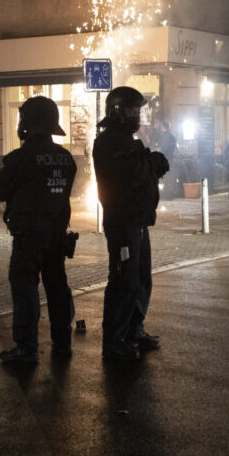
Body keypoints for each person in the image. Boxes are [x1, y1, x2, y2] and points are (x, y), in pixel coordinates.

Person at [0, 96, 77, 364]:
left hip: (29, 235)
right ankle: (62, 341)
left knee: (25, 289)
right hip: (56, 234)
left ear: (29, 122)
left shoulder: (21, 158)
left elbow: (0, 189)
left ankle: (26, 347)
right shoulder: (65, 158)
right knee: (57, 287)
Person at [93, 86, 169, 361]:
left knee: (140, 279)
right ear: (116, 111)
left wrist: (150, 162)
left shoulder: (127, 140)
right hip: (122, 222)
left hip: (136, 221)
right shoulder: (109, 141)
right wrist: (153, 162)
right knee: (123, 281)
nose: (136, 115)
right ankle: (115, 338)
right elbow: (133, 173)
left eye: (138, 110)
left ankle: (133, 329)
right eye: (131, 110)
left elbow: (140, 167)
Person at [155, 119, 178, 199]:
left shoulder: (165, 136)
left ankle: (168, 194)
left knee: (166, 176)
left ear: (163, 127)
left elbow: (163, 147)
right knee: (170, 176)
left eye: (161, 126)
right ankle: (170, 193)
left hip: (166, 159)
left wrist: (158, 149)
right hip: (170, 158)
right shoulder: (172, 136)